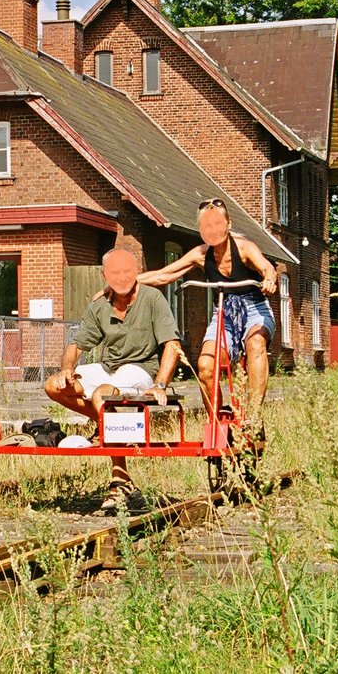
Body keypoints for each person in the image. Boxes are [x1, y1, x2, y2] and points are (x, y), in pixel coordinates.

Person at [44, 248, 181, 513]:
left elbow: (172, 345)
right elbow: (76, 344)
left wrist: (161, 384)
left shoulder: (152, 299)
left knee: (102, 396)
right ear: (104, 275)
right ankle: (104, 423)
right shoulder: (100, 305)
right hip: (111, 368)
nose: (121, 278)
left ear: (136, 273)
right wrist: (66, 368)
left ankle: (120, 479)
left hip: (142, 370)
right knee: (54, 386)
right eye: (114, 272)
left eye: (126, 271)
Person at [137, 198, 278, 411]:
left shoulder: (245, 248)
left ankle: (253, 415)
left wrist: (269, 280)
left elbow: (267, 268)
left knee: (256, 344)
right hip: (224, 311)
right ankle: (217, 420)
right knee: (205, 367)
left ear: (228, 225)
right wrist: (124, 283)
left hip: (254, 308)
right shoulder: (201, 254)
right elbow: (162, 275)